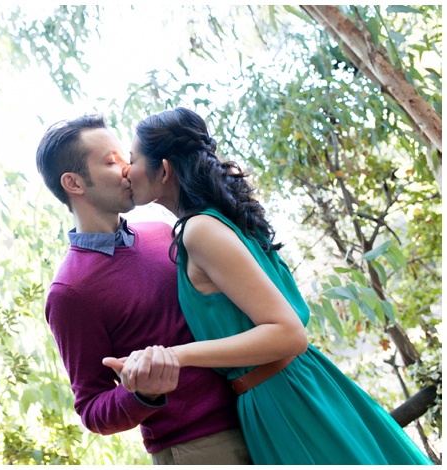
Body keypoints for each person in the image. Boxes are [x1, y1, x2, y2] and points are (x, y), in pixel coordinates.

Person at [103, 106, 433, 465]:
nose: (126, 170)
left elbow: (288, 333)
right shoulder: (219, 218)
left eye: (133, 159)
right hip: (293, 388)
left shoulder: (199, 230)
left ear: (164, 169)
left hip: (286, 399)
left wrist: (175, 356)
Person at [35, 114, 252, 464]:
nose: (127, 168)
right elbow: (92, 409)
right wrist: (143, 394)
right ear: (74, 183)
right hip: (198, 446)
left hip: (257, 412)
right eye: (110, 161)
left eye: (124, 156)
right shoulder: (70, 292)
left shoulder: (163, 231)